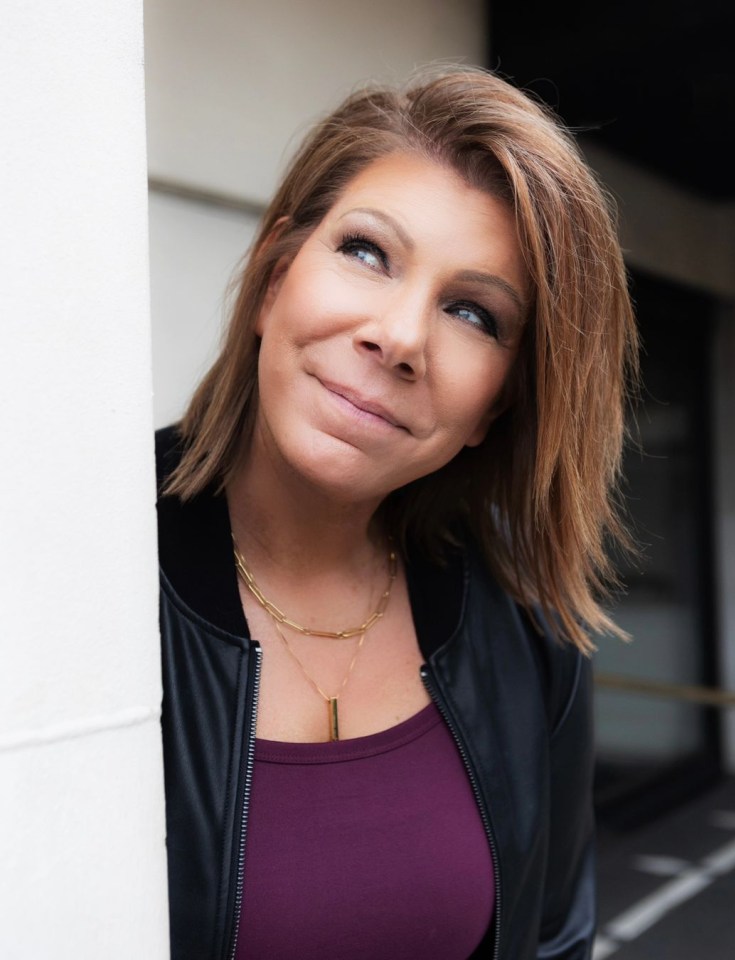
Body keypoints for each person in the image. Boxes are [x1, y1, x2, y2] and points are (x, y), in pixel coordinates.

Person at [155, 65, 637, 960]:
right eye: (368, 252)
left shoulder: (527, 622)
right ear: (273, 280)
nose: (402, 337)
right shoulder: (69, 569)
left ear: (496, 406)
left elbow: (557, 940)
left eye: (472, 312)